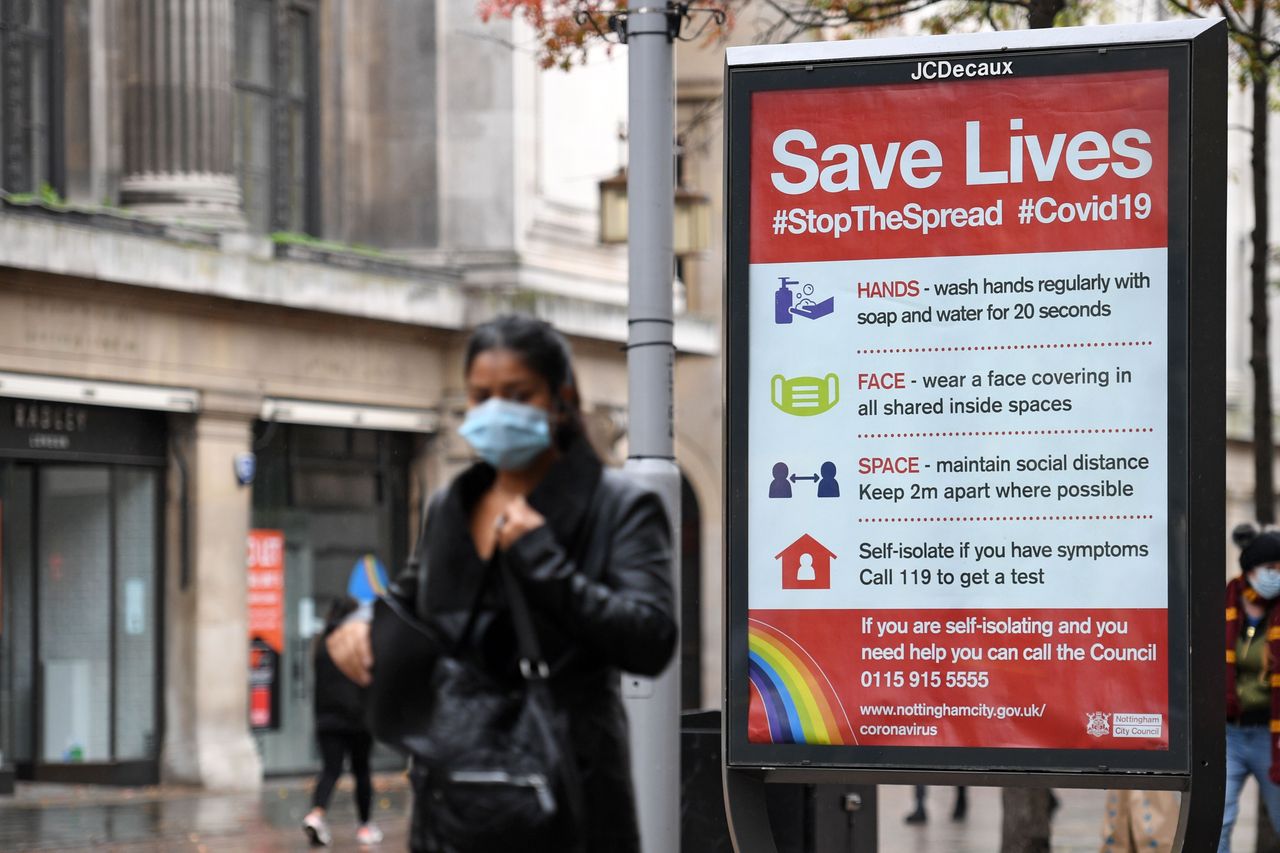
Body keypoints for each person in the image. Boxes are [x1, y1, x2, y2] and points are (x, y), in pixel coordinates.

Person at [327, 314, 678, 852]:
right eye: (481, 396)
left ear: (559, 400)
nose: (496, 412)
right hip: (456, 785)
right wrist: (355, 624)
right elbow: (408, 602)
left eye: (517, 394)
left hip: (569, 786)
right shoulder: (454, 504)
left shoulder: (620, 506)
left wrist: (544, 562)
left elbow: (651, 638)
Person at [303, 596, 382, 847]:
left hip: (327, 719)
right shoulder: (358, 640)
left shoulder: (323, 641)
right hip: (358, 719)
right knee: (362, 771)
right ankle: (365, 826)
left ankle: (316, 815)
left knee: (330, 769)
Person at [1220, 525, 1280, 851]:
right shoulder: (1223, 605)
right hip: (1229, 735)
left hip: (1273, 737)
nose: (1276, 576)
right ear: (1251, 568)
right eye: (1271, 569)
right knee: (1219, 821)